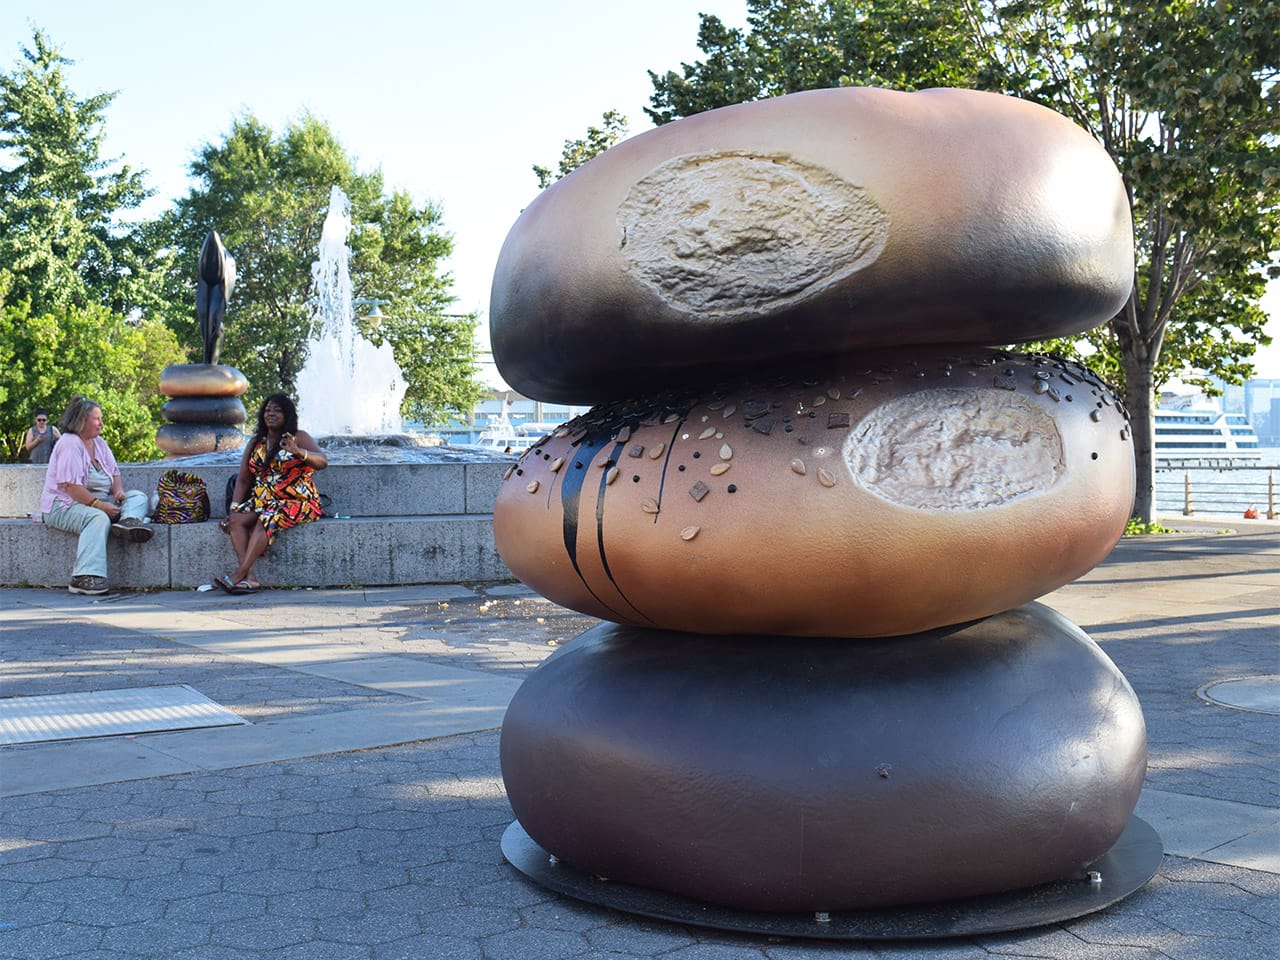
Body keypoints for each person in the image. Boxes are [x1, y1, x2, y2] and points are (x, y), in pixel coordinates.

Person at [40, 397, 153, 596]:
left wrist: (118, 491)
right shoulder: (69, 444)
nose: (101, 423)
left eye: (101, 419)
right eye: (97, 419)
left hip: (97, 502)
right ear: (82, 421)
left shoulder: (99, 443)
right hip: (64, 506)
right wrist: (100, 506)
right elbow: (71, 487)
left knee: (138, 496)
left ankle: (127, 522)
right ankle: (84, 577)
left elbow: (114, 472)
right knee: (98, 518)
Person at [218, 392, 327, 594]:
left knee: (265, 518)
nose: (271, 414)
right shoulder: (256, 442)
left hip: (298, 501)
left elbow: (322, 462)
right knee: (235, 521)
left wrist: (298, 451)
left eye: (277, 410)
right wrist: (234, 508)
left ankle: (239, 574)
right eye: (267, 410)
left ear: (287, 415)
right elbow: (243, 479)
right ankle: (250, 578)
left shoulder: (299, 437)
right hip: (263, 501)